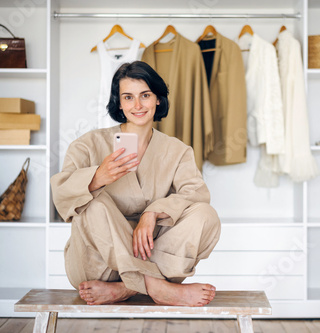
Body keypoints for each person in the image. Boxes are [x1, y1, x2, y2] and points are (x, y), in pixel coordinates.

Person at [51, 61, 221, 307]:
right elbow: (61, 194)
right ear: (119, 103)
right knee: (92, 203)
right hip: (99, 265)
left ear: (158, 100)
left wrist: (152, 213)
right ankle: (156, 287)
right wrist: (97, 178)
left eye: (145, 96)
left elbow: (196, 194)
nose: (138, 105)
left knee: (206, 214)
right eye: (128, 97)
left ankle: (125, 288)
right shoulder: (87, 145)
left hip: (152, 253)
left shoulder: (178, 150)